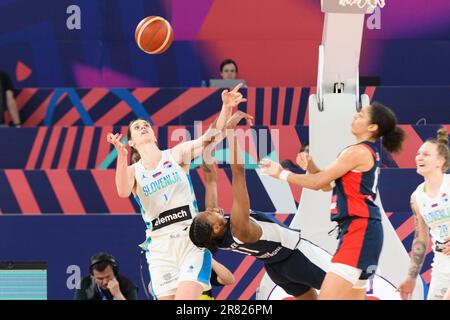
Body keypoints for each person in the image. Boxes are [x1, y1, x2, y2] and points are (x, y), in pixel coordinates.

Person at [107, 83, 247, 300]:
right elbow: (122, 191)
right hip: (159, 248)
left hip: (190, 239)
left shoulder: (175, 155)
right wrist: (121, 155)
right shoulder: (133, 171)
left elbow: (210, 138)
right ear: (132, 142)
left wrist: (225, 108)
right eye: (137, 127)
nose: (143, 127)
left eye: (146, 125)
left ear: (154, 136)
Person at [260, 102, 405, 299]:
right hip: (360, 231)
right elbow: (325, 185)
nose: (355, 117)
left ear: (372, 127)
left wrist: (281, 174)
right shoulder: (361, 151)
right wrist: (310, 165)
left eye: (361, 115)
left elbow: (318, 182)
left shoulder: (357, 152)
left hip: (360, 230)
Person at [190, 122, 333, 300]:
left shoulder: (218, 239)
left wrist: (207, 144)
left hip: (277, 270)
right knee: (348, 290)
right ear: (216, 229)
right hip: (297, 255)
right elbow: (239, 172)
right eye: (210, 214)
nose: (213, 210)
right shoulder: (239, 225)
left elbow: (210, 179)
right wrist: (232, 133)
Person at [398, 127, 450, 300]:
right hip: (442, 264)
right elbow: (421, 239)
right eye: (418, 153)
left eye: (426, 154)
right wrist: (411, 277)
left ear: (440, 161)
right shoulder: (417, 196)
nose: (419, 157)